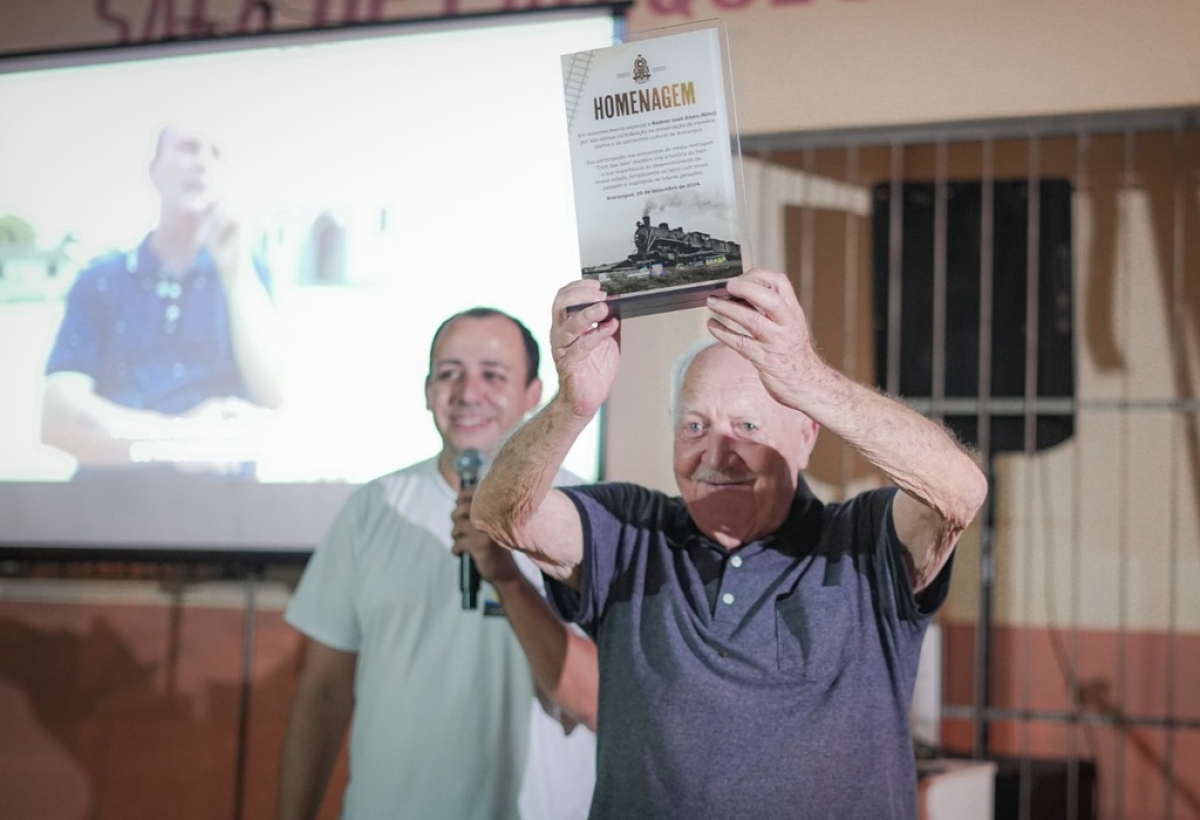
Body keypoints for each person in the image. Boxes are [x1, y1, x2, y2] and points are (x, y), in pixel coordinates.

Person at [471, 268, 989, 819]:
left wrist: (807, 378)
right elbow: (500, 512)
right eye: (694, 427)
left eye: (748, 427)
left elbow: (960, 490)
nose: (717, 455)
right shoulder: (630, 532)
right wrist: (571, 406)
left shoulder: (862, 541)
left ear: (805, 436)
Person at [278, 307, 598, 820]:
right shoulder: (374, 508)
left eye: (493, 375)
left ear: (533, 394)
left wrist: (509, 580)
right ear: (428, 392)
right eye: (449, 374)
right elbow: (322, 690)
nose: (468, 393)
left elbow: (601, 702)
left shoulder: (585, 514)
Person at [40, 124, 284, 478]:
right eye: (188, 148)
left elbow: (274, 395)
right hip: (114, 504)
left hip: (222, 506)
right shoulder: (100, 281)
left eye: (215, 152)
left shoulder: (248, 274)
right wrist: (179, 440)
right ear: (154, 169)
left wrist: (236, 270)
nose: (202, 162)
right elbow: (58, 418)